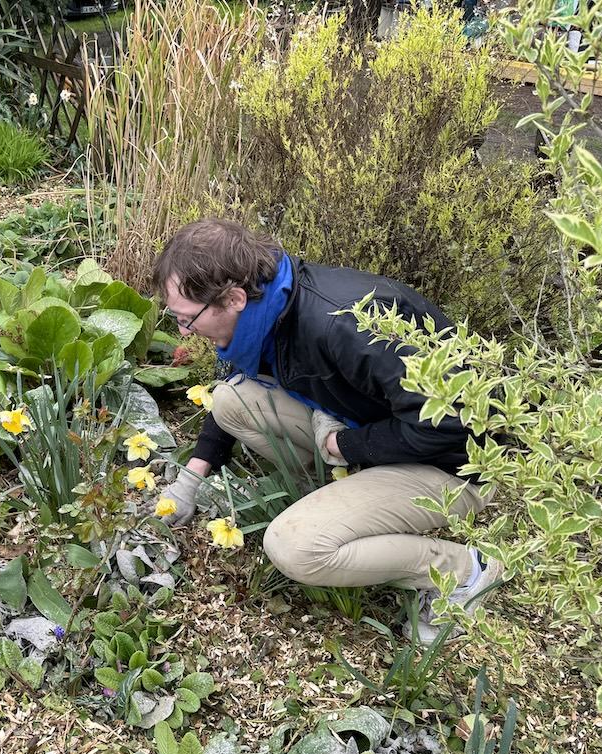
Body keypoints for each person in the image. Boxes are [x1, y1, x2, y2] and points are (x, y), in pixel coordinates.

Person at [153, 219, 504, 642]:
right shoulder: (272, 308)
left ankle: (465, 571)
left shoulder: (341, 325)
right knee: (230, 398)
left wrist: (346, 443)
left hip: (454, 467)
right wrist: (189, 481)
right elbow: (241, 392)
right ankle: (331, 502)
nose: (184, 331)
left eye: (187, 319)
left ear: (233, 297)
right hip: (379, 432)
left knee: (294, 548)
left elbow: (449, 425)